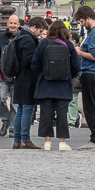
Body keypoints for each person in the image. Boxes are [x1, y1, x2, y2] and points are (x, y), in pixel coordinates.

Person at [31, 19, 80, 151]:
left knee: (46, 114)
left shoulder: (43, 44)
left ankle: (47, 142)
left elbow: (34, 64)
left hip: (45, 84)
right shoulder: (68, 45)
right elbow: (76, 65)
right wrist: (69, 76)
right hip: (63, 85)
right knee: (62, 114)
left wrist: (41, 75)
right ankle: (62, 142)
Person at [6, 16, 45, 148]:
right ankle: (25, 138)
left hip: (20, 77)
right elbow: (29, 60)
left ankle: (17, 140)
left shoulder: (19, 37)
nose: (40, 34)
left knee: (21, 110)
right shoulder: (28, 40)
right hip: (28, 78)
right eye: (40, 31)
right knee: (27, 108)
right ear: (34, 27)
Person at [73, 4, 95, 150]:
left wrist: (79, 52)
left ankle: (94, 140)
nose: (82, 24)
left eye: (82, 21)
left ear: (88, 18)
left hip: (92, 73)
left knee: (90, 108)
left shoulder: (94, 33)